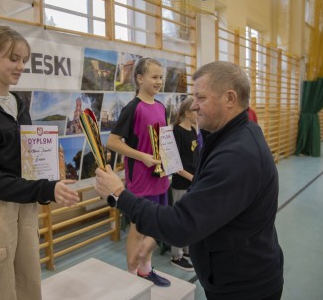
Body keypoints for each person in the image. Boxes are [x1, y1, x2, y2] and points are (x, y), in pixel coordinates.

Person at [96, 61, 284, 300]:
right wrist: (157, 235)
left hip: (244, 287)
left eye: (201, 97)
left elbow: (181, 225)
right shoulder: (227, 136)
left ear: (229, 98)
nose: (193, 106)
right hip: (234, 275)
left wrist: (119, 194)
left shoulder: (236, 156)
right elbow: (197, 206)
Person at [0, 26, 80, 300]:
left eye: (24, 60)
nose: (21, 66)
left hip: (24, 202)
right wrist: (45, 189)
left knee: (28, 280)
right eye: (13, 59)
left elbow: (28, 160)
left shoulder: (18, 103)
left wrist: (50, 173)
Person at [106, 57, 171, 287]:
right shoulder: (132, 108)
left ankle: (145, 270)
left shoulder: (162, 107)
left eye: (161, 77)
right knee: (138, 228)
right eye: (154, 77)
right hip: (141, 181)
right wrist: (142, 156)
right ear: (140, 78)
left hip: (160, 178)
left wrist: (169, 165)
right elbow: (113, 142)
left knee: (153, 226)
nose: (159, 81)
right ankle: (131, 276)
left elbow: (164, 142)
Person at [169, 97, 199, 272]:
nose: (198, 113)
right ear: (187, 113)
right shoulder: (177, 132)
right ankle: (176, 255)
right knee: (179, 219)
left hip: (192, 182)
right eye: (195, 110)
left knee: (190, 217)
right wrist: (192, 178)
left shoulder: (194, 130)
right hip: (181, 183)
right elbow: (174, 164)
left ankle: (187, 251)